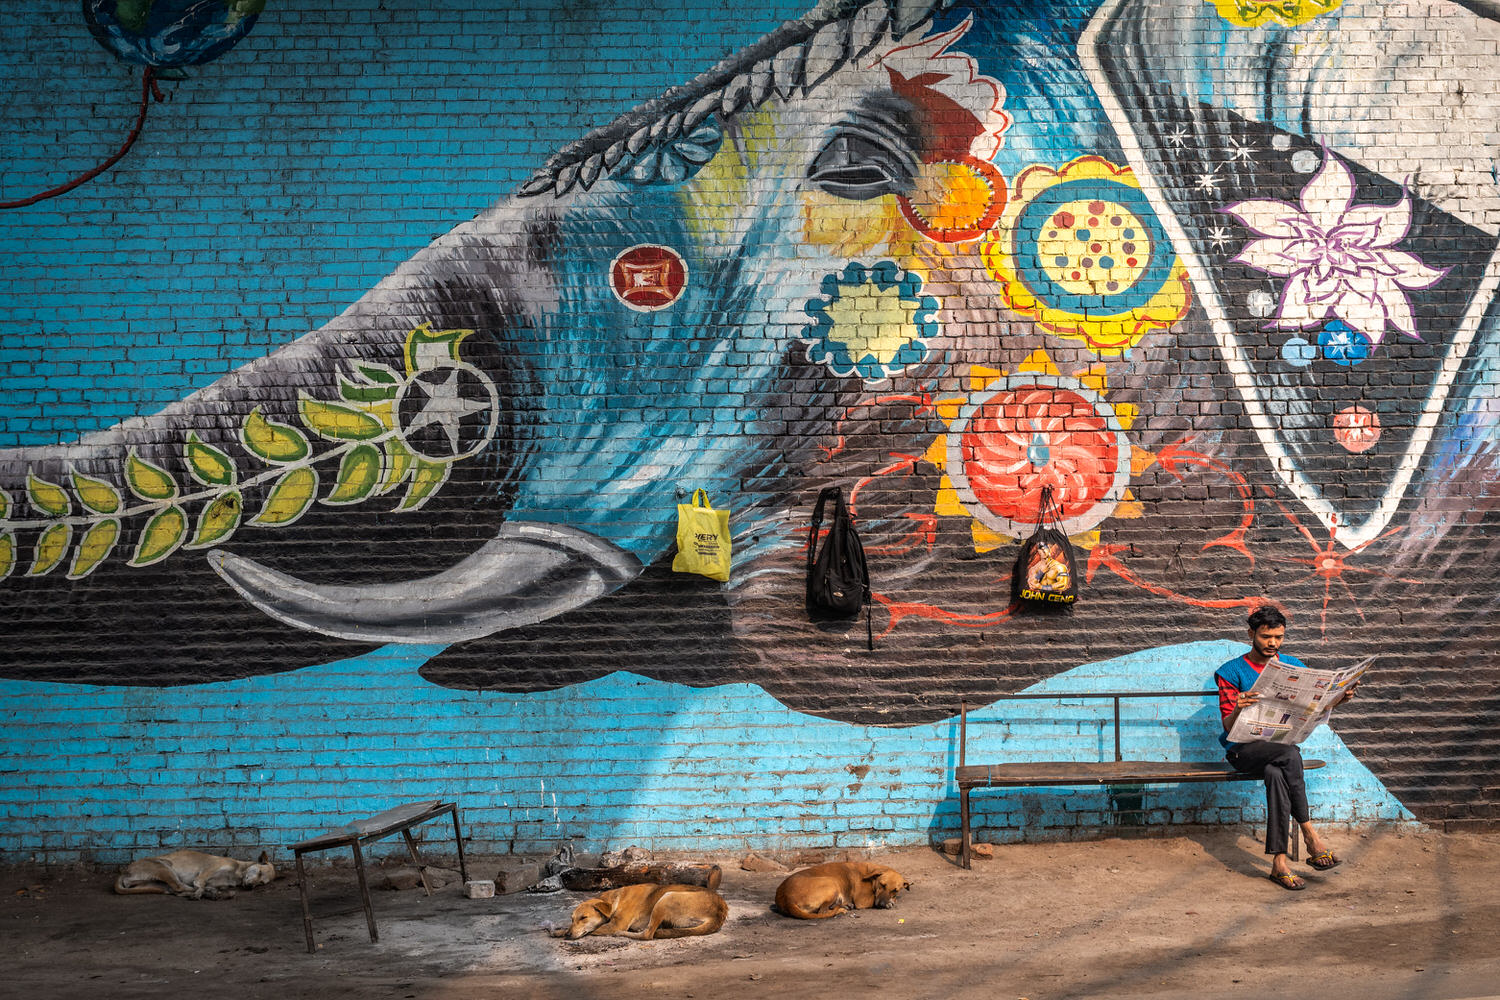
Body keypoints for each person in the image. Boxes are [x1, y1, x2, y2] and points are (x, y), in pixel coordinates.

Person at [1215, 605, 1359, 890]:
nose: (1273, 643)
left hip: (1278, 750)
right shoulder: (1230, 672)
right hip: (1243, 751)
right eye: (1267, 636)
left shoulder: (1293, 664)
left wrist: (1338, 700)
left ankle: (1279, 864)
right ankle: (1310, 835)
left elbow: (1313, 708)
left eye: (1278, 637)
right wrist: (1238, 710)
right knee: (1290, 754)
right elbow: (1229, 729)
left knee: (1277, 773)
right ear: (1251, 634)